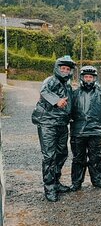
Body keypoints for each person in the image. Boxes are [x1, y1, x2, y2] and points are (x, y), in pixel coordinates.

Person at [31, 56, 76, 202]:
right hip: (48, 124)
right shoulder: (50, 81)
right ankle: (49, 187)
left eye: (67, 69)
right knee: (49, 156)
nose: (64, 71)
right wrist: (57, 101)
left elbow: (71, 102)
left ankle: (56, 182)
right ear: (57, 68)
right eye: (62, 68)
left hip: (62, 124)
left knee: (62, 153)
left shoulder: (67, 85)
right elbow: (44, 92)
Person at [69, 66, 101, 191]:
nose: (88, 79)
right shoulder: (74, 93)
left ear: (95, 78)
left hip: (95, 131)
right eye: (86, 77)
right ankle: (76, 182)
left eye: (91, 77)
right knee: (78, 158)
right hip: (78, 131)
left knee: (95, 157)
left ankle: (97, 179)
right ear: (82, 78)